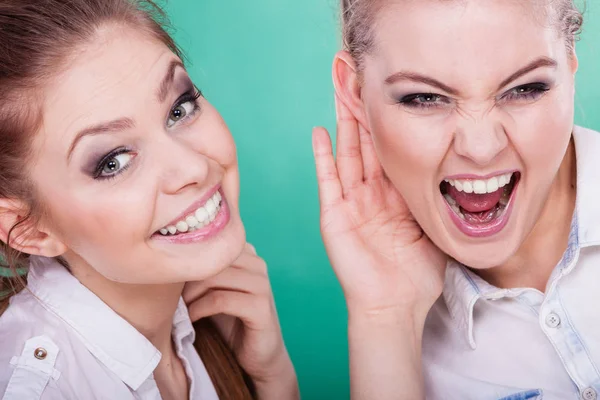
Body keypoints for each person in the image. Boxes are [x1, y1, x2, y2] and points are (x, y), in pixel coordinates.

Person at [0, 1, 298, 399]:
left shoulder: (191, 320)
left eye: (180, 109)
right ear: (30, 230)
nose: (192, 167)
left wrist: (272, 378)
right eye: (113, 162)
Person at [313, 0, 596, 399]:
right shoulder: (395, 323)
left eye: (524, 89)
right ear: (355, 93)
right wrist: (385, 321)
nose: (481, 148)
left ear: (569, 65)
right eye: (425, 98)